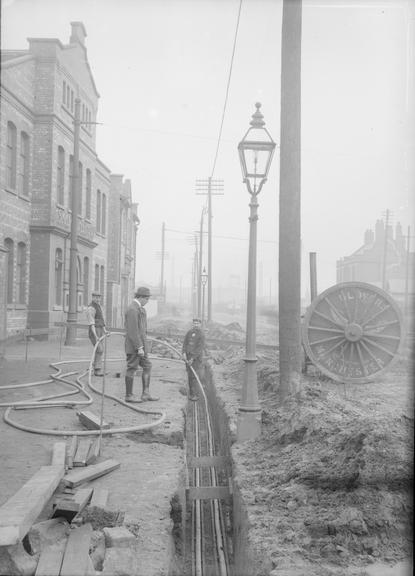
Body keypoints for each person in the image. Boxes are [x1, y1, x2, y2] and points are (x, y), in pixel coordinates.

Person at [124, 286, 159, 403]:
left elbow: (142, 330)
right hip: (135, 347)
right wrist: (139, 347)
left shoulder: (141, 310)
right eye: (147, 299)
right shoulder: (132, 309)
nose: (148, 301)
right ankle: (129, 395)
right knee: (132, 368)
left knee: (147, 366)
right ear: (141, 297)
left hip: (142, 347)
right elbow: (133, 331)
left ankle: (146, 393)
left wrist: (144, 346)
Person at [182, 318, 206, 401]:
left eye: (197, 323)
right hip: (188, 357)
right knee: (190, 375)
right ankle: (191, 393)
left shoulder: (201, 334)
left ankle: (194, 394)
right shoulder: (189, 332)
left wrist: (192, 359)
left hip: (195, 359)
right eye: (194, 323)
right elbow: (185, 343)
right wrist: (184, 353)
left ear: (200, 324)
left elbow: (199, 349)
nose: (195, 325)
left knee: (194, 376)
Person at [86, 291, 106, 377]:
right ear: (92, 297)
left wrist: (105, 330)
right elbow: (92, 324)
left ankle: (94, 366)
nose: (98, 299)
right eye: (96, 297)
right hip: (94, 331)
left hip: (100, 330)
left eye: (99, 297)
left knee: (100, 349)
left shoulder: (99, 307)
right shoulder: (91, 308)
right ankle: (97, 370)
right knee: (100, 349)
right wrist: (96, 336)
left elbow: (101, 320)